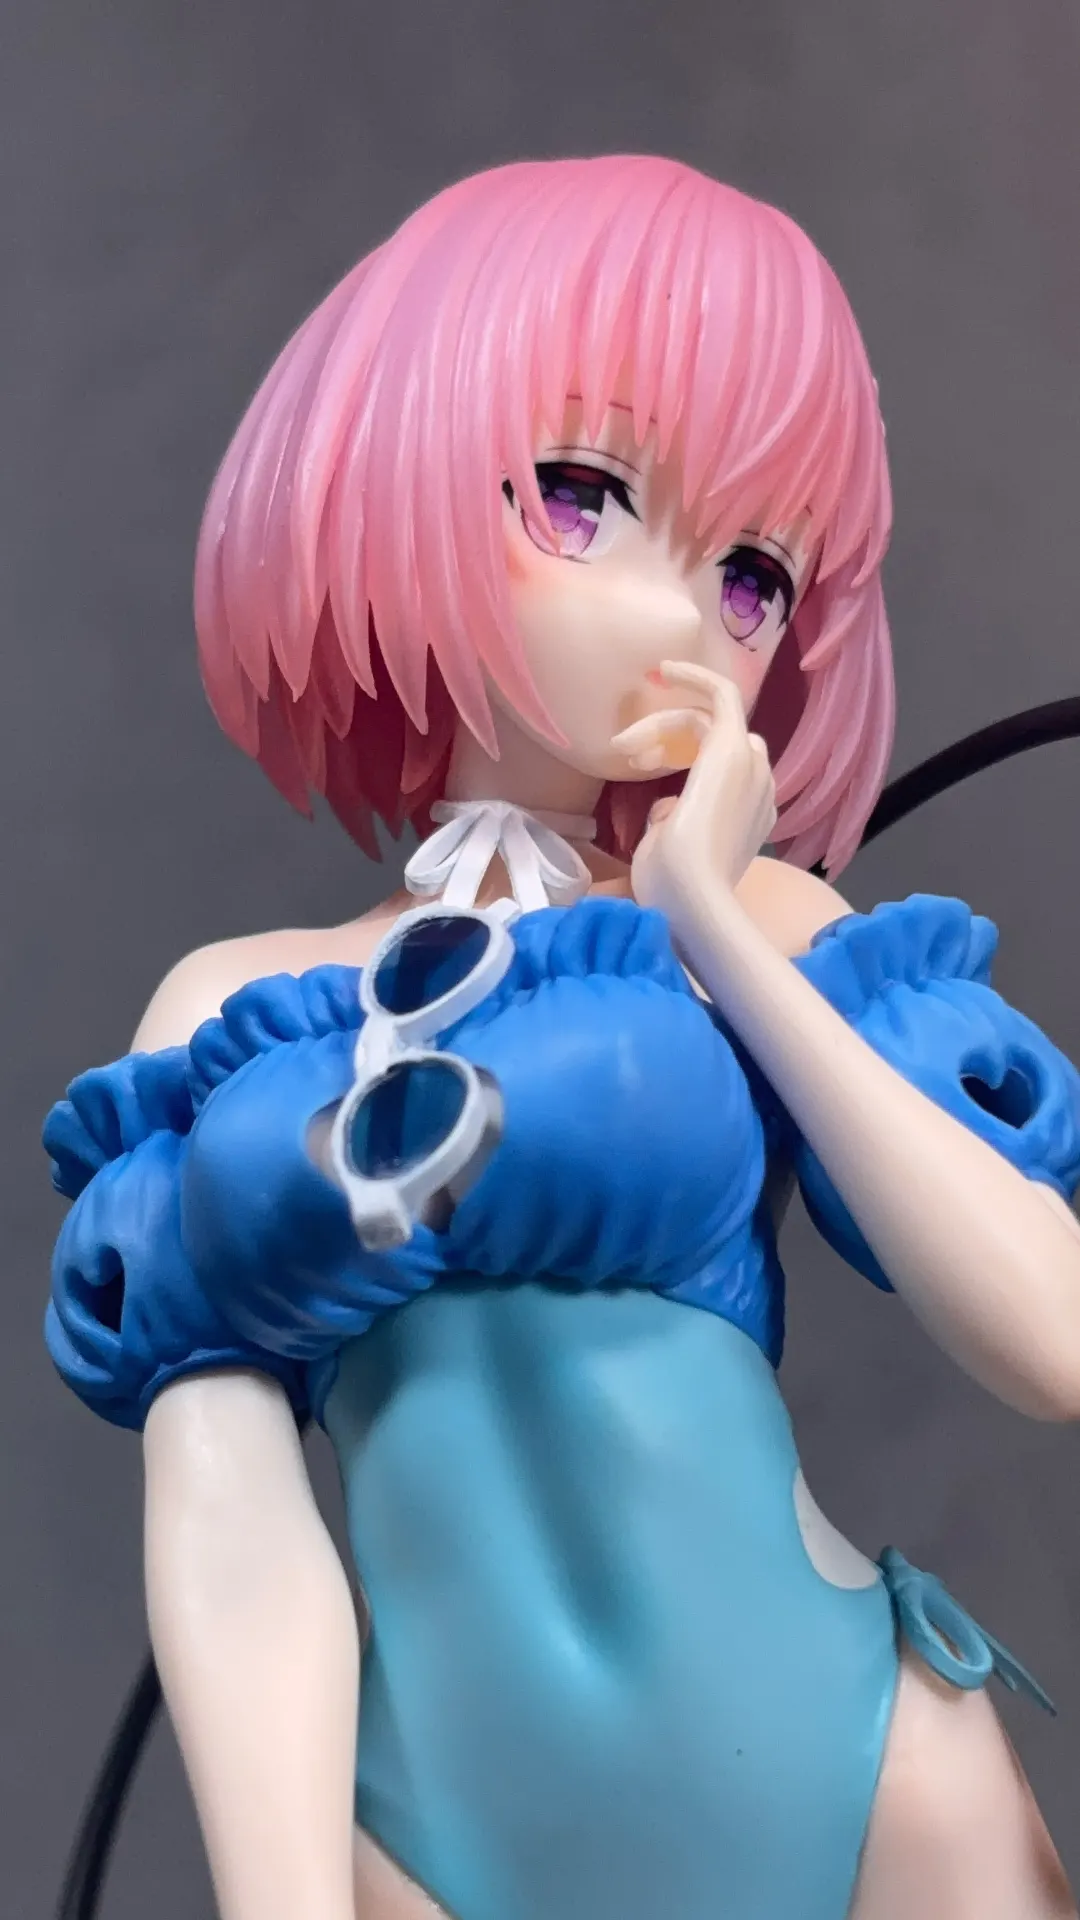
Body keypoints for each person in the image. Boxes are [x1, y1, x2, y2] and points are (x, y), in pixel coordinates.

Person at [44, 155, 1080, 1920]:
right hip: (428, 1850)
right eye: (584, 494)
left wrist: (721, 924)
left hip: (873, 1797)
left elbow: (1055, 1340)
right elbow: (232, 1542)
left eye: (753, 576)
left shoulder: (763, 932)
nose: (682, 617)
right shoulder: (229, 1015)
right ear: (396, 457)